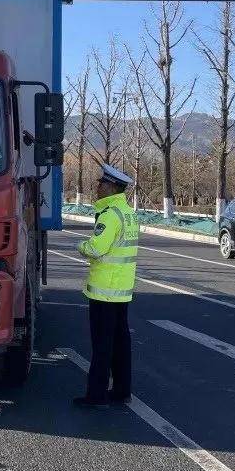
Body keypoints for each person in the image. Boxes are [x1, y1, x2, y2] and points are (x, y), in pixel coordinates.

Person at [74, 165, 141, 408]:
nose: (98, 187)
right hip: (122, 290)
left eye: (101, 184)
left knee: (101, 345)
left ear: (112, 187)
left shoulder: (110, 216)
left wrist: (81, 246)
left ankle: (96, 396)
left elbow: (97, 249)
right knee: (121, 343)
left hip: (105, 290)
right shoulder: (129, 213)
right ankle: (122, 391)